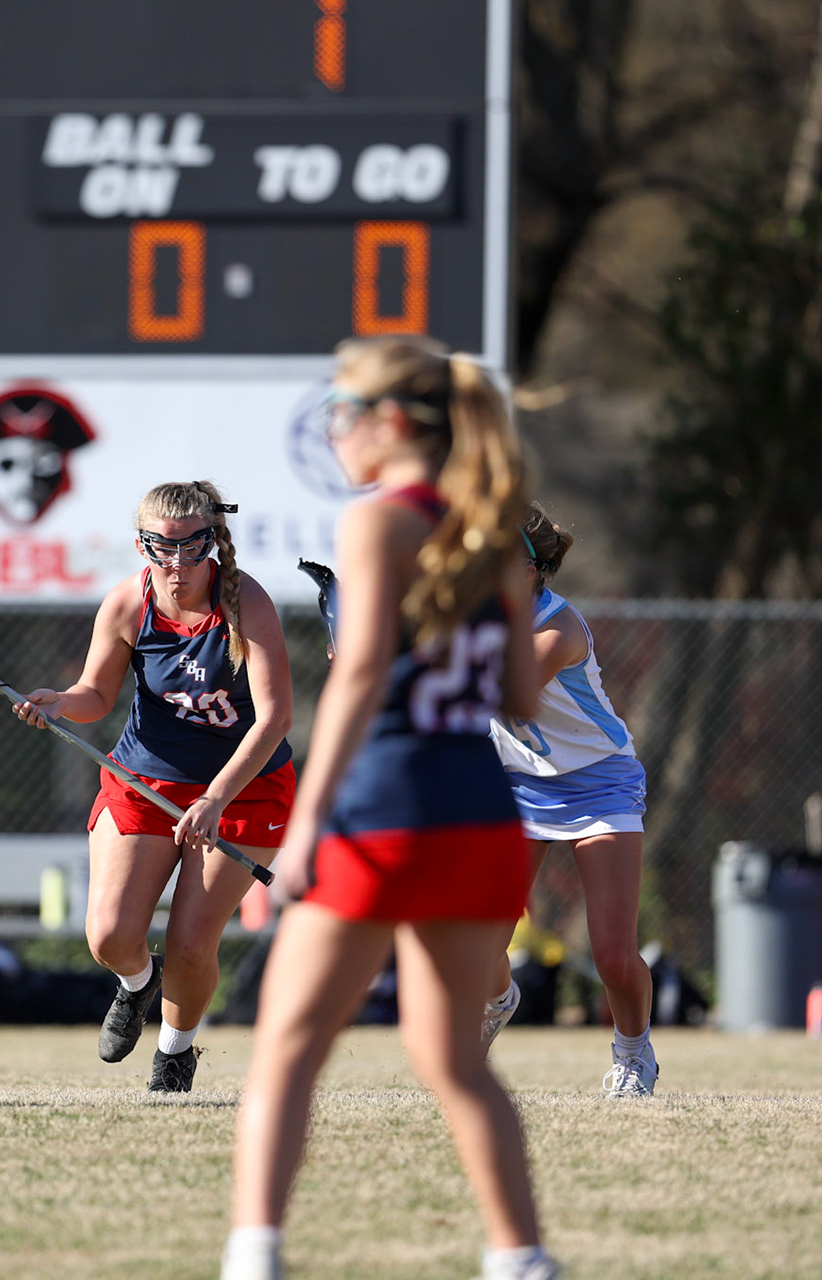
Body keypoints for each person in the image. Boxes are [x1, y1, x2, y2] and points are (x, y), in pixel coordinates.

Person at [222, 337, 560, 1280]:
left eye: (343, 415)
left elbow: (362, 672)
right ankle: (521, 1259)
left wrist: (309, 827)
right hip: (481, 814)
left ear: (393, 425)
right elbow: (521, 699)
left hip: (388, 812)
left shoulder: (379, 522)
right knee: (456, 1064)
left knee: (288, 1050)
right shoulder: (491, 531)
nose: (334, 434)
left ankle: (254, 1258)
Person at [13, 480, 294, 1093]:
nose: (175, 564)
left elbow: (274, 718)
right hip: (144, 779)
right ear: (140, 544)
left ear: (212, 541)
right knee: (109, 935)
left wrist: (214, 798)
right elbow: (96, 695)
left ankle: (174, 1053)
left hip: (243, 788)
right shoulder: (126, 604)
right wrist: (60, 702)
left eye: (191, 548)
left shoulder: (248, 604)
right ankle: (139, 984)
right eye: (158, 547)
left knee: (194, 943)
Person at [483, 503, 657, 1097]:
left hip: (599, 781)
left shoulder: (559, 628)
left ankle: (634, 1055)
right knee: (479, 944)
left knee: (611, 953)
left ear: (531, 570)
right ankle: (498, 1000)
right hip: (518, 783)